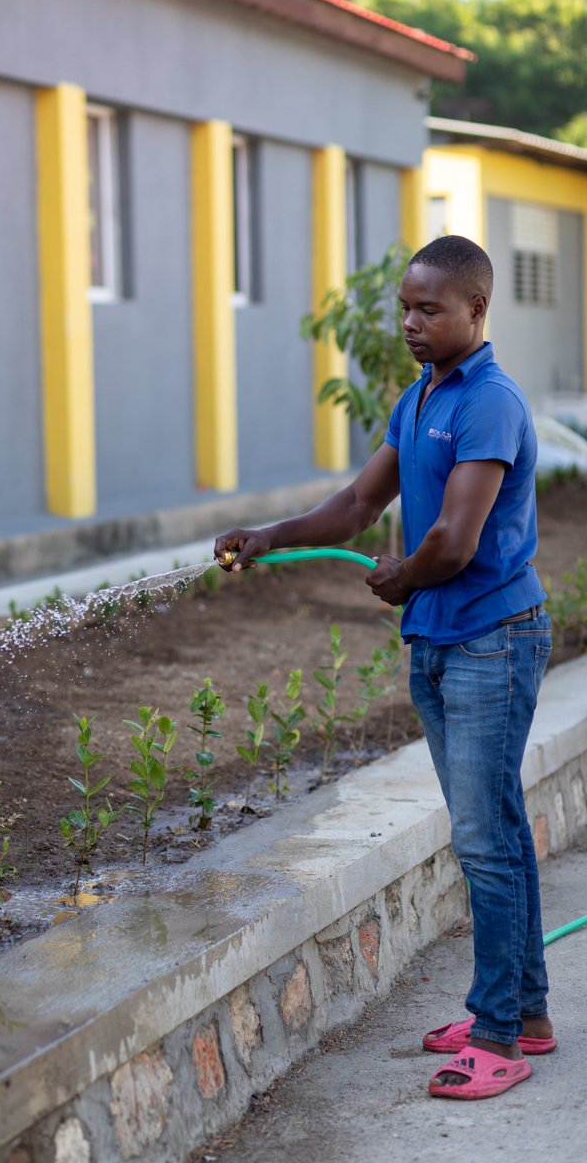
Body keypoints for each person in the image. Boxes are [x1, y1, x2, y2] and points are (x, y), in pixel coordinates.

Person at [214, 234, 555, 1100]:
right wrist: (270, 536)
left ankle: (496, 1034)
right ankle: (527, 1014)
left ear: (478, 310)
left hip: (493, 637)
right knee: (494, 830)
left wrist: (403, 576)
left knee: (485, 837)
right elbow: (361, 503)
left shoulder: (489, 403)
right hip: (443, 641)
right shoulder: (420, 399)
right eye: (405, 307)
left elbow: (454, 540)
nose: (410, 322)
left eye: (428, 309)